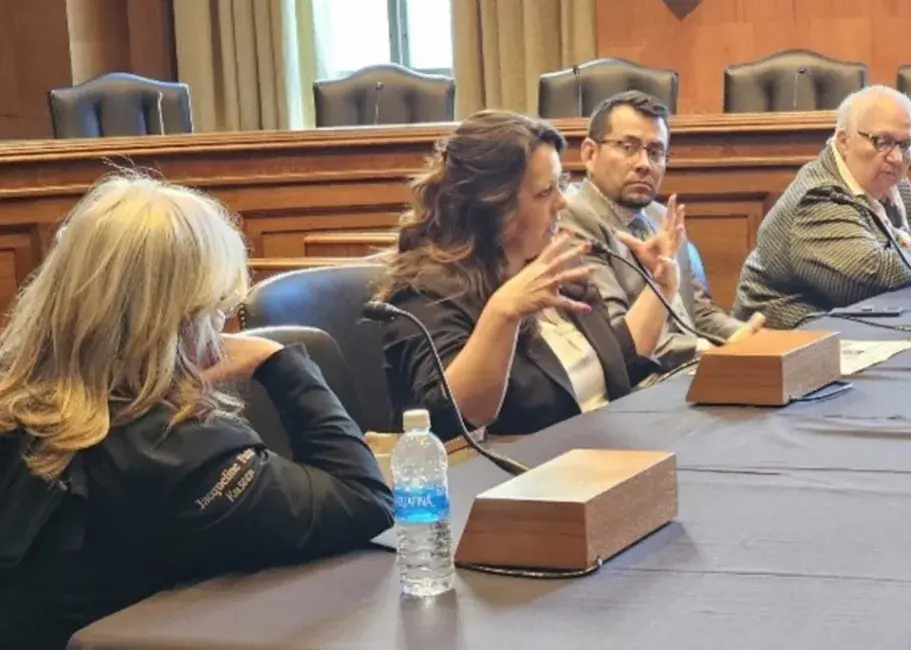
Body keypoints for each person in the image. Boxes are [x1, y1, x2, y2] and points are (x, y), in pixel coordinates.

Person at [0, 174, 394, 650]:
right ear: (176, 319)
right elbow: (362, 499)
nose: (219, 325)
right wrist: (279, 361)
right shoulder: (175, 455)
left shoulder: (16, 405)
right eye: (217, 308)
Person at [379, 110, 682, 442]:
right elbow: (454, 420)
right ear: (492, 205)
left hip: (599, 461)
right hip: (512, 482)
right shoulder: (425, 293)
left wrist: (661, 287)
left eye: (561, 185)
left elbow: (615, 366)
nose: (562, 202)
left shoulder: (556, 268)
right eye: (544, 192)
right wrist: (503, 313)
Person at [731, 85, 911, 329]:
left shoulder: (894, 185)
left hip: (853, 324)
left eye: (906, 145)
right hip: (784, 338)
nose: (897, 159)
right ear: (844, 140)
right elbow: (868, 281)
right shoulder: (818, 197)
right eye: (883, 142)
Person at [560, 91, 764, 372]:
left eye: (655, 152)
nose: (644, 164)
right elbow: (614, 337)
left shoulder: (659, 215)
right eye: (628, 147)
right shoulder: (572, 220)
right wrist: (705, 349)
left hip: (690, 370)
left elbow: (697, 312)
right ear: (589, 153)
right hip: (640, 383)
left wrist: (742, 336)